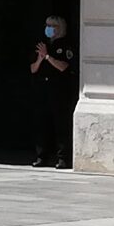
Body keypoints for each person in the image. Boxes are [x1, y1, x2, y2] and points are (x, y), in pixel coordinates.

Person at [31, 15, 76, 169]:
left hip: (59, 90)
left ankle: (63, 158)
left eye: (52, 26)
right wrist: (40, 58)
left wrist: (48, 56)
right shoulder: (41, 45)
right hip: (43, 89)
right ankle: (41, 156)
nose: (49, 29)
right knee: (42, 124)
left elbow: (64, 66)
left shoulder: (65, 45)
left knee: (61, 125)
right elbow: (33, 68)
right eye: (47, 25)